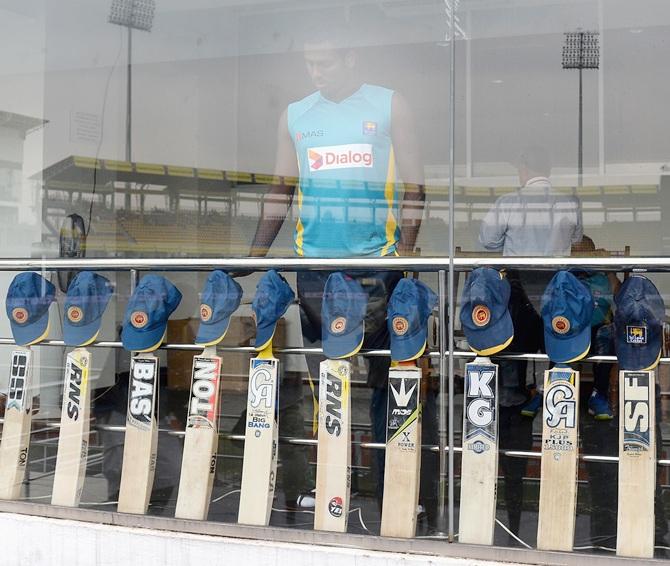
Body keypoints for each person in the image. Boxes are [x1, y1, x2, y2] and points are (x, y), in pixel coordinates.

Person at [245, 24, 428, 525]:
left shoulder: (391, 106)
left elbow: (415, 188)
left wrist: (405, 263)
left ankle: (394, 489)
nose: (315, 71)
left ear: (351, 57)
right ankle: (332, 487)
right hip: (316, 275)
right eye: (308, 63)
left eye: (324, 61)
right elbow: (281, 189)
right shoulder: (296, 116)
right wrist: (253, 255)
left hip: (377, 269)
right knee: (330, 384)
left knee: (388, 384)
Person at [477, 146, 583, 540]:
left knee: (508, 391)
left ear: (522, 167)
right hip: (556, 299)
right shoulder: (568, 202)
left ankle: (512, 501)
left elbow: (487, 240)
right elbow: (576, 236)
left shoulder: (509, 201)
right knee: (562, 377)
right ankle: (558, 484)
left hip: (518, 302)